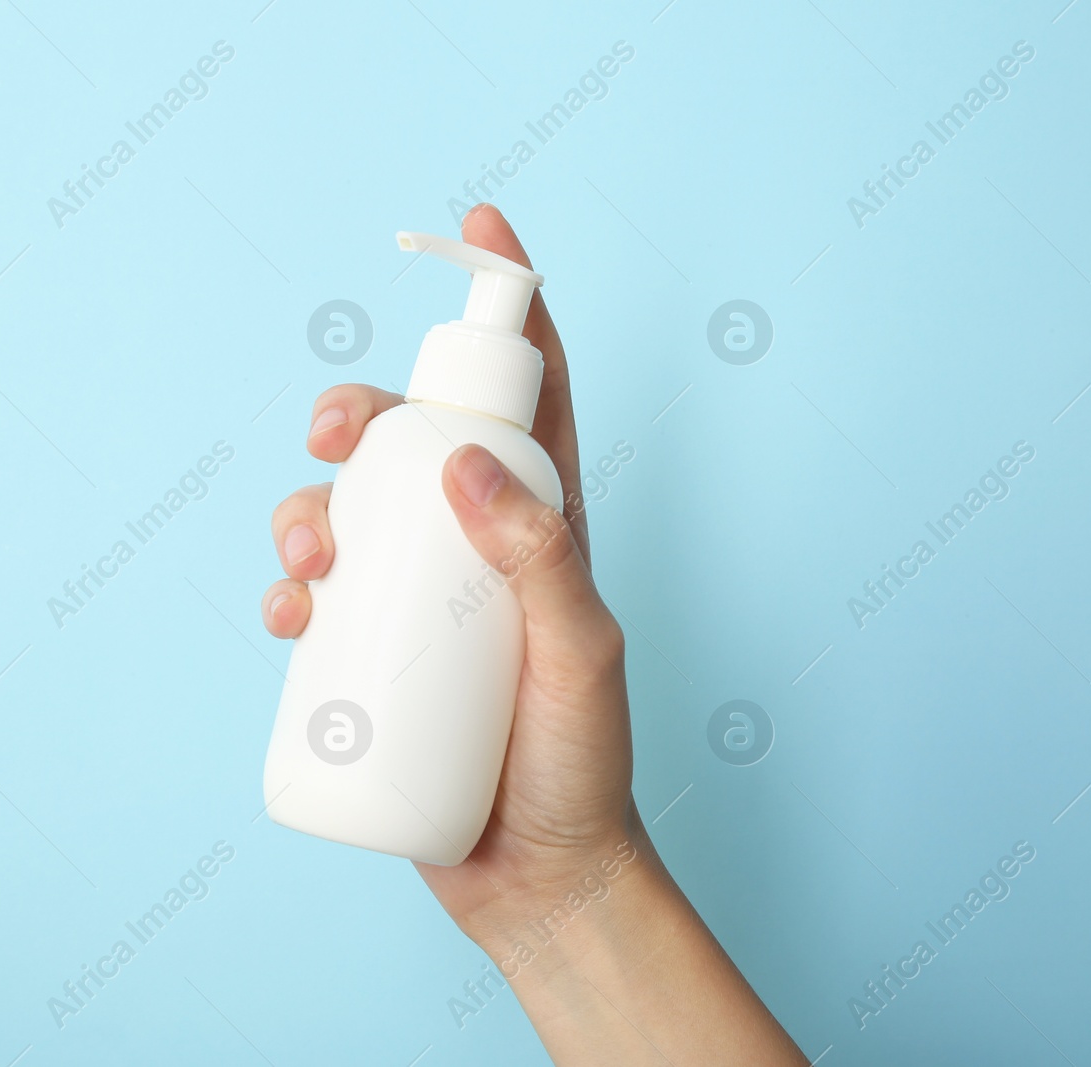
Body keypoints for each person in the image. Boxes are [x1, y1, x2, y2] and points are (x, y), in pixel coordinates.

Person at [261, 203, 810, 1065]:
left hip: (548, 862)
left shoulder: (512, 475)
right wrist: (557, 897)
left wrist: (567, 879)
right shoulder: (417, 448)